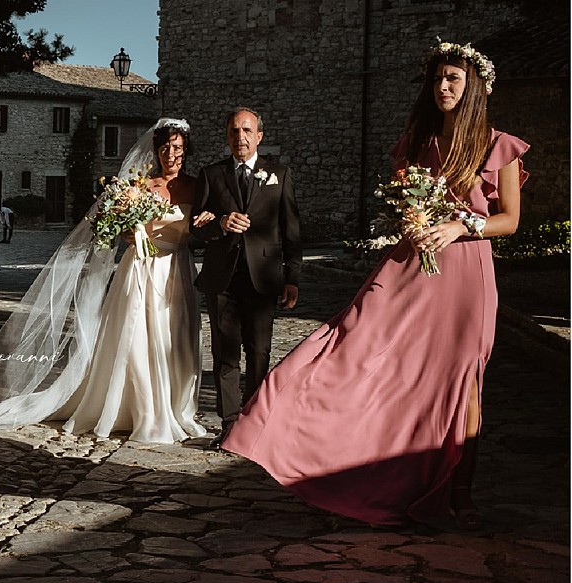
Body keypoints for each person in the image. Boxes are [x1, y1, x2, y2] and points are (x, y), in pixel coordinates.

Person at [222, 41, 526, 531]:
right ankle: (300, 440)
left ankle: (461, 493)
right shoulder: (414, 142)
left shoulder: (498, 145)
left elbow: (509, 219)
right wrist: (409, 215)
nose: (442, 87)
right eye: (437, 80)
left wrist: (459, 225)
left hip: (467, 275)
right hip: (409, 268)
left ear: (472, 89)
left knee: (464, 384)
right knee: (353, 344)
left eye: (453, 79)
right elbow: (400, 200)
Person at [0, 118, 213, 444]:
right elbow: (118, 231)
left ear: (186, 151)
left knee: (176, 339)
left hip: (176, 270)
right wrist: (126, 229)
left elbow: (204, 230)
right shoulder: (139, 188)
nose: (171, 154)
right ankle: (144, 411)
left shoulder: (197, 188)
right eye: (165, 147)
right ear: (156, 150)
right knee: (135, 339)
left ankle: (174, 406)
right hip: (140, 269)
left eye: (177, 148)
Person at [191, 107, 302, 449]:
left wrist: (292, 276)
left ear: (259, 136)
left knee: (260, 352)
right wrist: (220, 223)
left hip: (263, 277)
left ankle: (253, 422)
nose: (240, 137)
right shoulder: (211, 175)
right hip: (222, 278)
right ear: (227, 136)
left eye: (247, 130)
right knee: (225, 355)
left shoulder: (278, 174)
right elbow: (196, 228)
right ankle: (228, 426)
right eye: (234, 131)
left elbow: (291, 229)